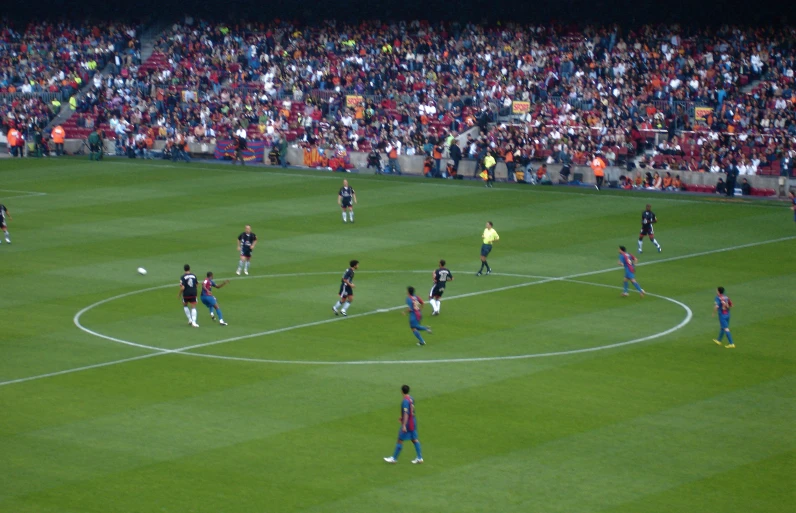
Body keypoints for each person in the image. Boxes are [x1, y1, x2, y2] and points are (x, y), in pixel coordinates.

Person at [383, 384, 423, 464]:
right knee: (414, 439)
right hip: (413, 421)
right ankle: (420, 458)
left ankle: (394, 459)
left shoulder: (405, 401)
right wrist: (402, 417)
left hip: (408, 422)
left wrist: (404, 425)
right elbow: (411, 411)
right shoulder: (411, 399)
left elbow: (406, 413)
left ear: (401, 391)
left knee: (400, 439)